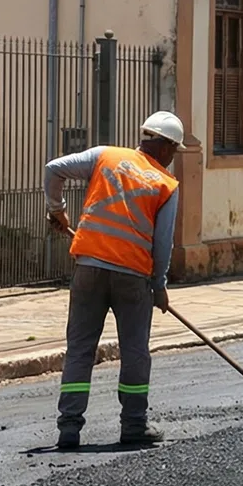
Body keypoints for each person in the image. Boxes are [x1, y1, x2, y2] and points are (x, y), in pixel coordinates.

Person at [43, 112, 184, 451]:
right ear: (166, 148)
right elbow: (162, 243)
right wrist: (159, 285)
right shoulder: (165, 184)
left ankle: (69, 429)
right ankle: (134, 425)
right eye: (175, 151)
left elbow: (52, 169)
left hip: (88, 271)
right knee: (135, 352)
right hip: (132, 279)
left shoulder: (105, 155)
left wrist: (56, 208)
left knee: (79, 349)